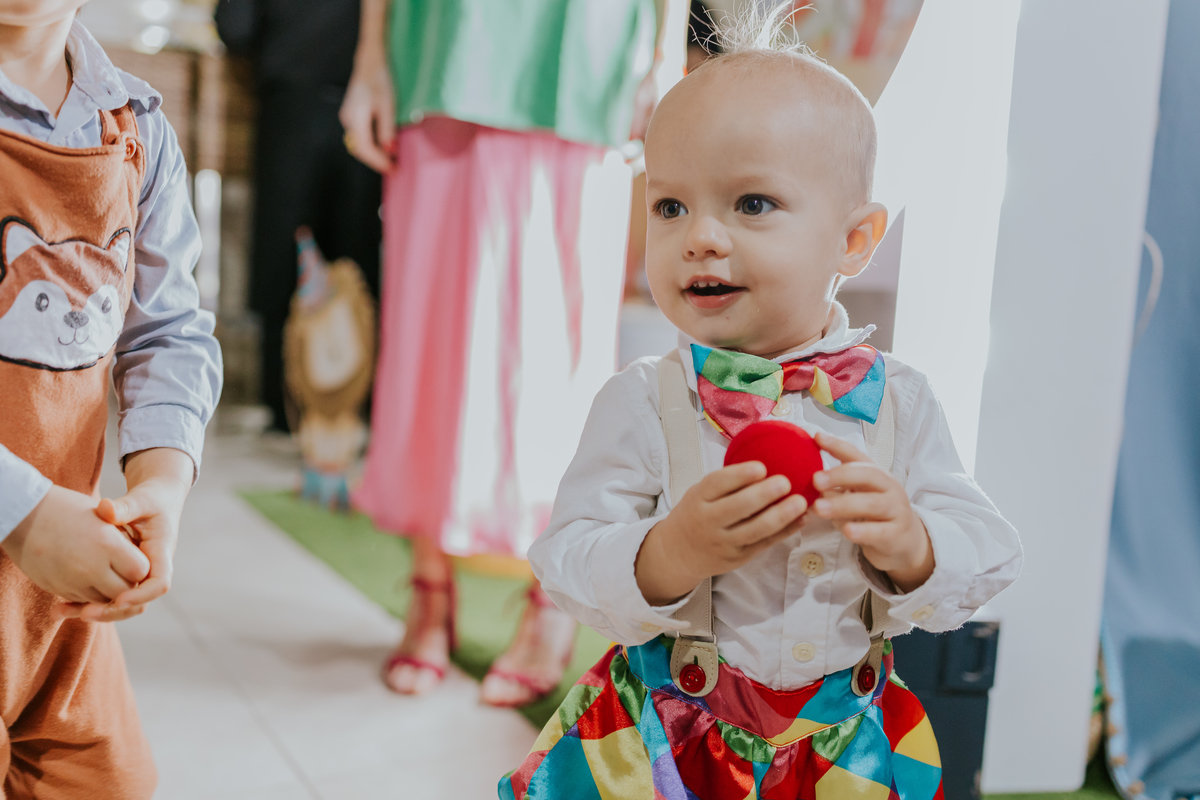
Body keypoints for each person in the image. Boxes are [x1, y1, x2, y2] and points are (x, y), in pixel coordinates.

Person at [503, 7, 1022, 798]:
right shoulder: (646, 400)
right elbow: (564, 558)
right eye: (670, 206)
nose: (700, 237)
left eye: (750, 204)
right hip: (667, 741)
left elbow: (990, 547)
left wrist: (914, 544)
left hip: (839, 749)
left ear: (853, 241)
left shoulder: (898, 404)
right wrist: (667, 553)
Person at [340, 0, 671, 706]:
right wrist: (369, 57)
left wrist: (666, 49)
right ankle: (429, 587)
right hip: (443, 42)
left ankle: (553, 601)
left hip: (586, 49)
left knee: (564, 348)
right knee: (428, 335)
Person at [0, 3, 221, 797]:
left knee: (110, 782)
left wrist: (161, 485)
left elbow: (166, 334)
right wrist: (21, 511)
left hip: (54, 610)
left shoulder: (137, 127)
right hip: (32, 528)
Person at [214, 0, 382, 434]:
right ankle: (356, 400)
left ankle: (282, 401)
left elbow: (234, 25)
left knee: (280, 257)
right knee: (357, 259)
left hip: (290, 102)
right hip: (365, 108)